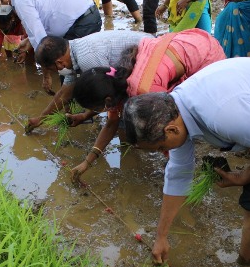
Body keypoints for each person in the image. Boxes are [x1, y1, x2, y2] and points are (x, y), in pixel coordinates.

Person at [121, 56, 250, 265]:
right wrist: (161, 236)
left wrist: (242, 177)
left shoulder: (223, 115)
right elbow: (178, 173)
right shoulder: (174, 111)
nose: (162, 152)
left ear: (171, 129)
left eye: (160, 147)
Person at [70, 29, 227, 182]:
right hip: (187, 41)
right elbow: (112, 124)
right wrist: (87, 162)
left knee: (190, 120)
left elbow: (174, 127)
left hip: (206, 56)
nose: (97, 112)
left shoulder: (146, 91)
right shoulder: (116, 81)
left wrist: (176, 166)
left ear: (107, 101)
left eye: (97, 109)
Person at [24, 31, 152, 133]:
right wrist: (41, 119)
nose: (56, 72)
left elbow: (108, 95)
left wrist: (86, 116)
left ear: (59, 63)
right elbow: (64, 94)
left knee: (126, 115)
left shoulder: (87, 59)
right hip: (142, 50)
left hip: (151, 54)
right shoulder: (72, 52)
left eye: (52, 70)